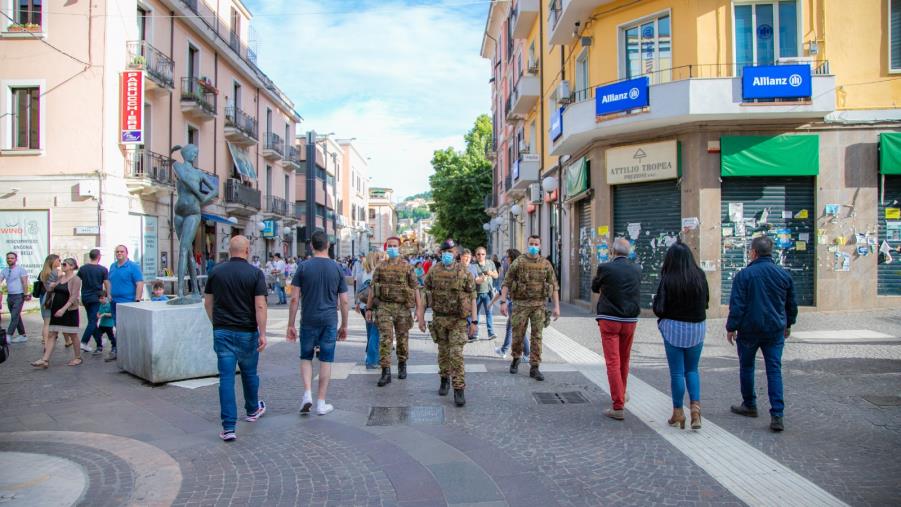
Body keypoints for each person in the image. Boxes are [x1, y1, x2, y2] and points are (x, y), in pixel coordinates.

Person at [726, 235, 797, 433]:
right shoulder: (783, 275)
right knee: (774, 370)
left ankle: (749, 404)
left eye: (750, 250)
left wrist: (731, 327)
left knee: (747, 367)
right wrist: (788, 323)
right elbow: (791, 304)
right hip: (774, 330)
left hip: (749, 330)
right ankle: (777, 414)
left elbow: (737, 305)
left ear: (754, 252)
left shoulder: (744, 275)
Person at [203, 236, 268, 441]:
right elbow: (260, 305)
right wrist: (263, 332)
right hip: (247, 331)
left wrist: (217, 323)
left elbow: (208, 303)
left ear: (229, 250)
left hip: (222, 331)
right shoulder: (255, 273)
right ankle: (252, 410)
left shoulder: (216, 272)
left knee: (226, 379)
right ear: (247, 250)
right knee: (249, 374)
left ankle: (229, 427)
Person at [287, 231, 349, 416]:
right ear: (328, 246)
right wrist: (344, 325)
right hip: (329, 319)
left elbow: (294, 298)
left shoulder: (303, 267)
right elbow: (344, 301)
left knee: (306, 357)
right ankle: (321, 402)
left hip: (308, 318)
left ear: (311, 246)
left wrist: (290, 324)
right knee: (326, 359)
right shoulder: (337, 268)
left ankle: (307, 393)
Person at [652, 239, 708, 430]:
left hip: (674, 329)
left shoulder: (668, 279)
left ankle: (678, 412)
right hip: (696, 329)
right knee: (692, 370)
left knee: (677, 372)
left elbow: (659, 308)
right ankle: (695, 410)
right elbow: (706, 302)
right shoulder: (700, 276)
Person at [419, 239, 477, 406]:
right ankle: (444, 379)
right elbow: (425, 294)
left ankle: (459, 389)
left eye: (451, 252)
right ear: (440, 253)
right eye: (445, 252)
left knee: (456, 354)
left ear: (456, 253)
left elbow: (473, 297)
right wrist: (421, 317)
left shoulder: (464, 272)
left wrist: (474, 321)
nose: (448, 255)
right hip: (440, 319)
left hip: (458, 320)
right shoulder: (434, 271)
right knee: (443, 353)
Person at [592, 237, 642, 421]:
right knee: (624, 359)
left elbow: (595, 287)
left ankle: (618, 404)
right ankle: (622, 393)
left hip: (609, 319)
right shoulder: (637, 269)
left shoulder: (605, 268)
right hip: (629, 319)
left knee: (613, 362)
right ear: (628, 252)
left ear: (613, 251)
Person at [500, 235, 560, 381]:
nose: (534, 246)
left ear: (540, 246)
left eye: (536, 244)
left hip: (539, 305)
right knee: (518, 335)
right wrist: (502, 302)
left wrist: (556, 307)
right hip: (520, 305)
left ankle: (535, 367)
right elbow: (507, 282)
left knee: (537, 336)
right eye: (531, 243)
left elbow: (554, 286)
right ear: (527, 244)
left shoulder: (545, 264)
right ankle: (516, 358)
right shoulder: (519, 262)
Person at [365, 236, 421, 387]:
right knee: (385, 339)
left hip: (402, 308)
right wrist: (369, 308)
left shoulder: (407, 267)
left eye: (395, 245)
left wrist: (419, 310)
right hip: (384, 306)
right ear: (386, 247)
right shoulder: (381, 267)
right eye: (389, 245)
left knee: (402, 339)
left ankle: (402, 363)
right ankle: (386, 371)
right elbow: (372, 289)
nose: (392, 248)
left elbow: (415, 288)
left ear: (400, 247)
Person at [32, 258, 82, 368]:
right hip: (56, 308)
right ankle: (45, 360)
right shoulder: (60, 277)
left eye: (65, 264)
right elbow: (52, 290)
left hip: (68, 311)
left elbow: (74, 296)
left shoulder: (76, 279)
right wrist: (52, 287)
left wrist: (63, 309)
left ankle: (78, 357)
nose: (62, 265)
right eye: (62, 264)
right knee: (52, 334)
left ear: (72, 266)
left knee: (72, 335)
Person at [493, 249, 528, 360]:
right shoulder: (520, 268)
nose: (506, 259)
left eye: (507, 257)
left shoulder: (513, 269)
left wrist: (501, 302)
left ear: (511, 258)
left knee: (519, 329)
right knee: (510, 327)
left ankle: (527, 354)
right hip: (517, 303)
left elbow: (505, 287)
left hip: (515, 303)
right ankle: (503, 350)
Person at [357, 251, 385, 369]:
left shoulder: (362, 273)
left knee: (370, 332)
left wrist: (358, 303)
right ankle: (372, 359)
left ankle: (370, 357)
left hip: (364, 306)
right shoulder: (376, 273)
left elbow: (358, 289)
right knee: (376, 333)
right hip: (373, 306)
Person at [78, 249, 109, 353]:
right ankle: (84, 342)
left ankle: (100, 342)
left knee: (92, 320)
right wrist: (108, 295)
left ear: (90, 256)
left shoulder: (83, 269)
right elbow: (106, 283)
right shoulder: (103, 269)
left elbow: (77, 282)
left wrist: (78, 296)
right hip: (96, 298)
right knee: (93, 321)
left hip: (85, 297)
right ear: (99, 257)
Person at [1, 252, 32, 343]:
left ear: (15, 259)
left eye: (12, 258)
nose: (10, 259)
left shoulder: (20, 269)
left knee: (14, 316)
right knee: (16, 316)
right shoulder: (5, 270)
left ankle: (8, 336)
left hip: (19, 295)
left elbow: (25, 283)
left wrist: (26, 294)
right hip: (10, 296)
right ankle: (23, 335)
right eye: (8, 258)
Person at [472, 246, 498, 341]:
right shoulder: (473, 265)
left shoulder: (490, 263)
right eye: (478, 254)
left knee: (489, 313)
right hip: (477, 293)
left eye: (482, 254)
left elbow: (496, 275)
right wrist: (480, 279)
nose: (480, 256)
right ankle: (475, 333)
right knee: (476, 314)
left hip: (488, 293)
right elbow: (473, 280)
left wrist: (490, 273)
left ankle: (491, 333)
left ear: (485, 254)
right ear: (475, 255)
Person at [37, 255, 63, 348]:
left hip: (46, 297)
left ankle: (45, 342)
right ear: (53, 261)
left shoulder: (43, 273)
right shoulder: (58, 272)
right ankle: (52, 341)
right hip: (55, 297)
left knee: (46, 322)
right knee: (57, 321)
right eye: (58, 260)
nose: (60, 261)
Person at [96, 292, 117, 362]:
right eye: (99, 298)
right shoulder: (101, 305)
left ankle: (114, 347)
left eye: (102, 298)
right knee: (98, 335)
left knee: (111, 337)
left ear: (106, 298)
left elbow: (112, 314)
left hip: (109, 324)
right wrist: (98, 314)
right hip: (102, 324)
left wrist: (104, 314)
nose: (100, 300)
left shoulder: (109, 305)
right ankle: (99, 347)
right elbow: (99, 311)